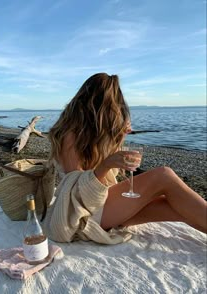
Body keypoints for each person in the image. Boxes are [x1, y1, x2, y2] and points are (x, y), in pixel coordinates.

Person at [44, 73, 207, 244]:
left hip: (102, 205)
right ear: (98, 104)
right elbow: (74, 190)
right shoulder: (70, 134)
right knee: (163, 175)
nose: (117, 110)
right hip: (81, 214)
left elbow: (107, 170)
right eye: (113, 104)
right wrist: (106, 164)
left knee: (177, 207)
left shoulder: (90, 133)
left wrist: (120, 136)